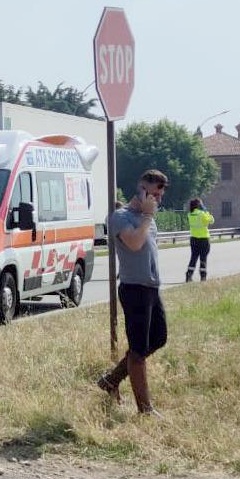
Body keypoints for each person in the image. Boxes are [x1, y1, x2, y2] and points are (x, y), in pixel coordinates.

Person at [97, 169, 168, 416]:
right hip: (134, 289)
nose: (157, 200)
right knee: (138, 351)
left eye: (160, 196)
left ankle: (110, 380)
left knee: (158, 338)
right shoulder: (120, 217)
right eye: (154, 194)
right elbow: (135, 243)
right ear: (141, 189)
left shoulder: (150, 219)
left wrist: (149, 216)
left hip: (151, 288)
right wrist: (147, 216)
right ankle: (145, 410)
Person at [186, 197, 215, 281]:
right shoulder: (202, 214)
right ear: (199, 205)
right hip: (203, 239)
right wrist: (207, 212)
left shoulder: (190, 214)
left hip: (194, 239)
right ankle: (203, 276)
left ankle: (189, 275)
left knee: (193, 257)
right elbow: (211, 221)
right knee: (203, 258)